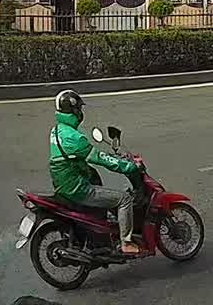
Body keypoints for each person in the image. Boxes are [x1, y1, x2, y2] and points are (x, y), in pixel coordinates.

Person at [48, 89, 143, 255]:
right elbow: (100, 158)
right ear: (74, 111)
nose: (81, 112)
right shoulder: (74, 137)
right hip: (77, 189)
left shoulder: (57, 130)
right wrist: (128, 166)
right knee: (124, 199)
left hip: (64, 185)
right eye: (79, 109)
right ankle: (126, 243)